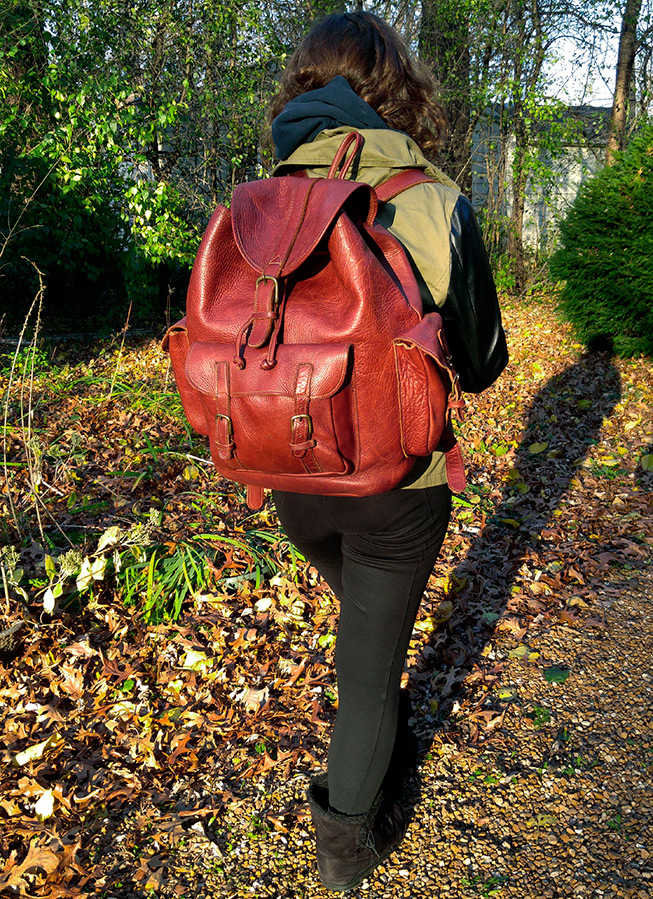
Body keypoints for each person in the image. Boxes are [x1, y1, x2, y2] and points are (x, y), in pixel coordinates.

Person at [266, 10, 508, 893]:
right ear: (395, 87)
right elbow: (481, 365)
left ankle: (374, 731)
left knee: (367, 627)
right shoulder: (433, 197)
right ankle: (345, 854)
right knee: (368, 668)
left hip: (287, 471)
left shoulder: (265, 197)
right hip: (391, 485)